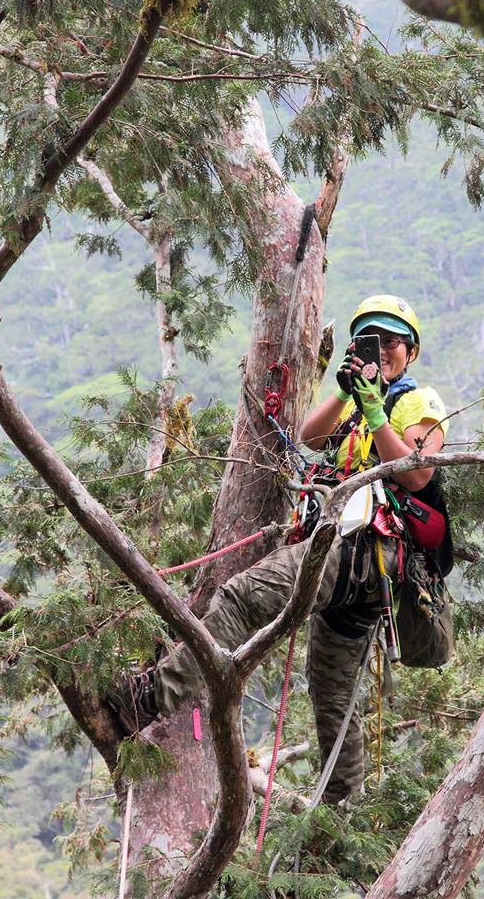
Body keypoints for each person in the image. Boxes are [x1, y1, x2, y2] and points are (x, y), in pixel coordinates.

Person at [109, 295, 453, 804]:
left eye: (392, 341)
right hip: (349, 560)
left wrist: (377, 411)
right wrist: (348, 394)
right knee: (332, 694)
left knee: (244, 597)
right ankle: (341, 813)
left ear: (411, 351)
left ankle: (151, 698)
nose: (381, 349)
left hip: (364, 550)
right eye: (371, 340)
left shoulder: (420, 402)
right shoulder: (357, 407)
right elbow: (308, 436)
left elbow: (418, 473)